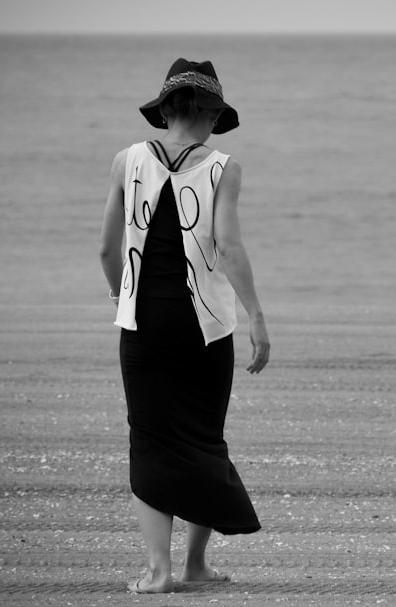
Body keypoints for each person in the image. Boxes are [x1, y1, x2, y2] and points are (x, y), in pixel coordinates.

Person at [98, 58, 270, 594]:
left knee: (149, 440)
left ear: (167, 109)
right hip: (205, 329)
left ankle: (159, 571)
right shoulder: (223, 167)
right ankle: (195, 563)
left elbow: (106, 248)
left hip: (143, 326)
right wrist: (256, 316)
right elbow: (229, 245)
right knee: (202, 438)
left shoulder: (126, 161)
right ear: (210, 112)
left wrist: (121, 292)